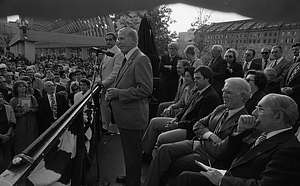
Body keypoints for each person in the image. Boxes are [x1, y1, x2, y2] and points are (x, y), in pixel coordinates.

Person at [172, 93, 300, 186]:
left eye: (260, 109)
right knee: (184, 175)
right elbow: (229, 154)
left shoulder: (290, 149)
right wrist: (239, 130)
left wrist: (222, 180)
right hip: (227, 174)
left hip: (231, 181)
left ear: (278, 116)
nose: (254, 113)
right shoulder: (258, 133)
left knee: (186, 178)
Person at [143, 77, 250, 186]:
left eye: (228, 92)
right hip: (198, 144)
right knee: (164, 150)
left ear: (242, 96)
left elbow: (219, 151)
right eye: (223, 91)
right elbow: (198, 124)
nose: (223, 95)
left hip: (209, 158)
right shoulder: (221, 109)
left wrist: (204, 138)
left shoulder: (243, 121)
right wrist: (210, 136)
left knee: (169, 163)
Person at [142, 66, 221, 163]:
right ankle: (146, 153)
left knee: (162, 138)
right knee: (154, 122)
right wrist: (176, 118)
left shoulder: (210, 97)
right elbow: (185, 108)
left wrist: (177, 125)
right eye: (195, 78)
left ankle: (162, 164)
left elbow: (198, 122)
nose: (195, 80)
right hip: (182, 122)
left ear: (207, 79)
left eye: (198, 78)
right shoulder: (199, 91)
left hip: (190, 130)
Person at [106, 27, 153, 186]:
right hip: (126, 116)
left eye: (121, 38)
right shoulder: (129, 58)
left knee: (133, 154)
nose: (118, 42)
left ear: (133, 40)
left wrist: (119, 93)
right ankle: (132, 177)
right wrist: (113, 93)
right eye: (118, 39)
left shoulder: (141, 59)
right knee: (129, 152)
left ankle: (134, 182)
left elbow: (146, 89)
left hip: (132, 117)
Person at [97, 32, 123, 133]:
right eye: (106, 40)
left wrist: (104, 82)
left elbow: (116, 72)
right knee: (104, 105)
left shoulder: (118, 53)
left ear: (115, 40)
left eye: (110, 40)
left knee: (113, 107)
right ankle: (105, 126)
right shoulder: (106, 52)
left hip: (112, 85)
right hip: (104, 85)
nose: (108, 42)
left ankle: (113, 128)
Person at [9, 80, 38, 154]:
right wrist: (19, 113)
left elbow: (36, 108)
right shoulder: (13, 100)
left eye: (24, 86)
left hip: (31, 121)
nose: (22, 88)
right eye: (20, 86)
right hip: (20, 122)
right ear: (16, 88)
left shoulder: (32, 98)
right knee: (20, 141)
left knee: (31, 139)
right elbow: (10, 114)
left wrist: (30, 110)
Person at [0, 92, 16, 169]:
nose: (0, 99)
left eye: (1, 96)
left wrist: (8, 134)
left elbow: (13, 122)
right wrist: (1, 136)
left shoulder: (8, 108)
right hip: (1, 135)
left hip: (8, 135)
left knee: (7, 156)